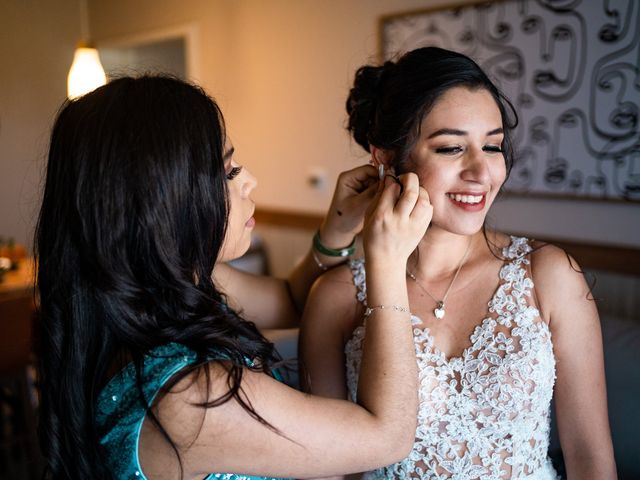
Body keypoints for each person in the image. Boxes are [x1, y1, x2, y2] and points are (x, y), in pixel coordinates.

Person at [34, 75, 434, 479]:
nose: (250, 180)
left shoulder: (160, 288)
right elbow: (387, 438)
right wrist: (386, 263)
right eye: (228, 171)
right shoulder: (193, 399)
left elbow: (289, 300)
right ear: (166, 201)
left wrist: (337, 230)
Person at [299, 47, 617, 480]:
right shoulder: (335, 298)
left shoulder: (550, 276)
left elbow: (589, 457)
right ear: (386, 159)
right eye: (451, 148)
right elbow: (330, 471)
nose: (481, 172)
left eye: (492, 146)